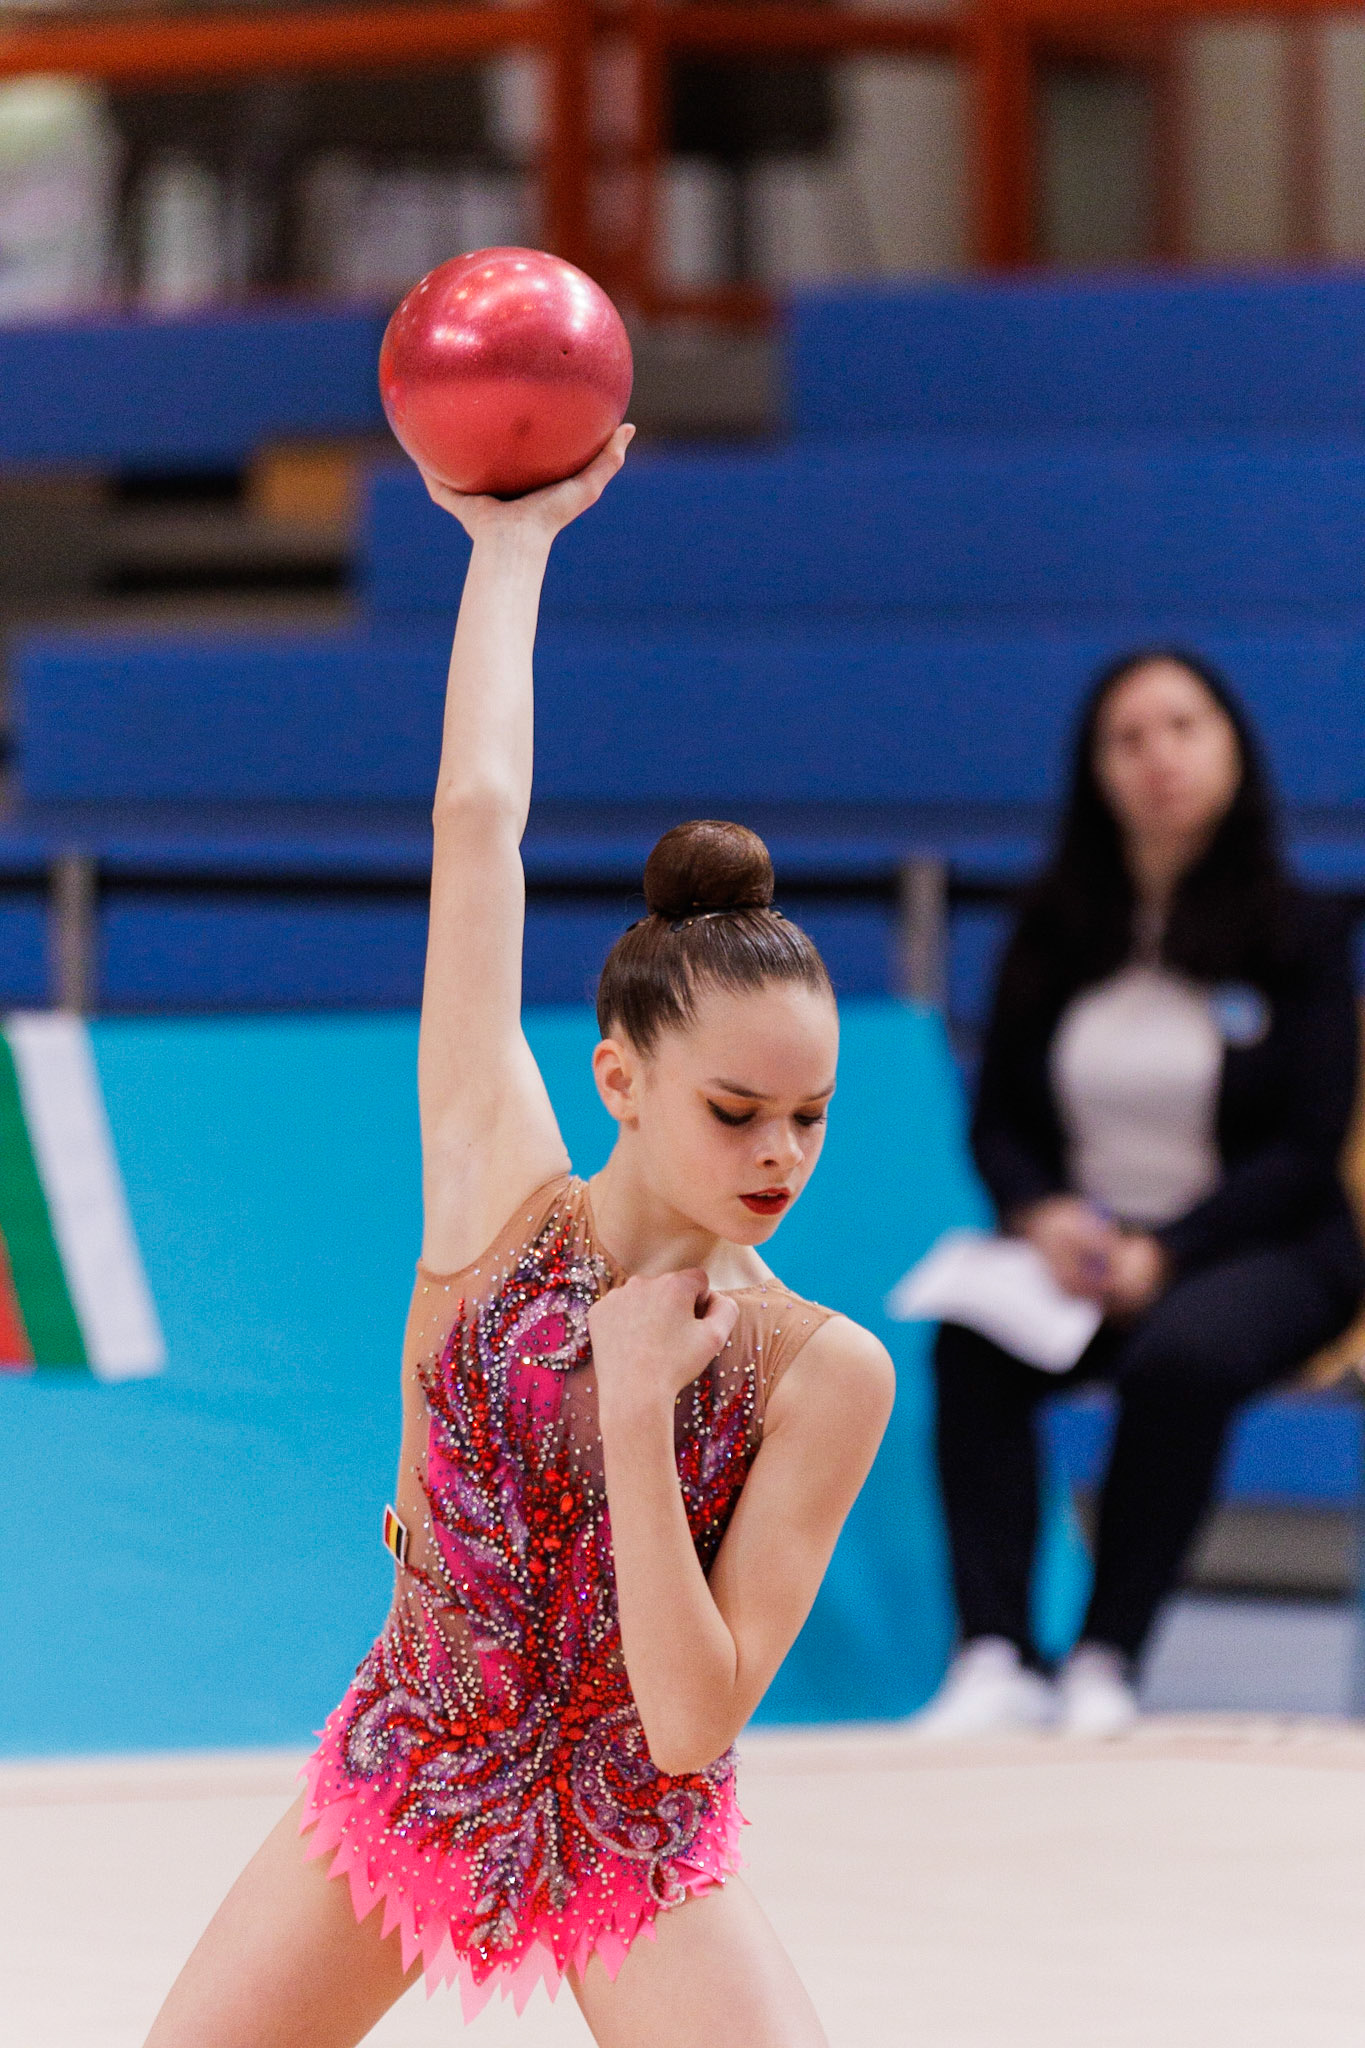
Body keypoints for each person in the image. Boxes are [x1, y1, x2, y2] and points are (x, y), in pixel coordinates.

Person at [144, 426, 894, 2048]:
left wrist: (638, 1413)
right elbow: (474, 825)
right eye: (736, 1108)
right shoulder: (495, 1185)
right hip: (417, 1751)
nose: (779, 1153)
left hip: (631, 1823)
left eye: (812, 1116)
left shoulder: (821, 1370)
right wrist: (513, 543)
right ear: (620, 1076)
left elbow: (692, 1725)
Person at [918, 649, 1365, 1740]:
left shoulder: (1302, 932)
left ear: (1231, 746)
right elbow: (1001, 1122)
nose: (1159, 755)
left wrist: (1169, 1252)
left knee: (1185, 1355)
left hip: (1267, 1247)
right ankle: (996, 1652)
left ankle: (1106, 1654)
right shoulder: (1054, 929)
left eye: (1183, 725)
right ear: (1097, 768)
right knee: (967, 1347)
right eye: (1130, 735)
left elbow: (1306, 1150)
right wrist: (1044, 1217)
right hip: (1086, 1246)